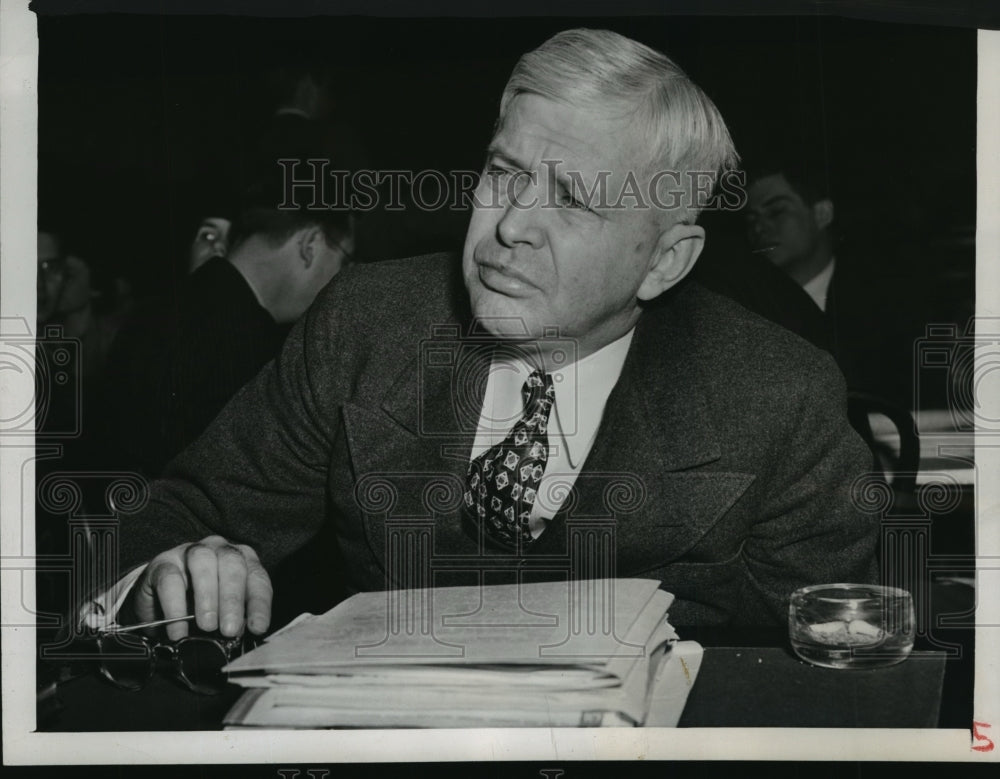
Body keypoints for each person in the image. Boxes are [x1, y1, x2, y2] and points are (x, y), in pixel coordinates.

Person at [86, 29, 878, 640]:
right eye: (504, 175)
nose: (508, 228)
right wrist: (165, 574)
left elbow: (834, 660)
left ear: (665, 261)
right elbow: (165, 521)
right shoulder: (366, 325)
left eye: (572, 199)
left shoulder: (783, 399)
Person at [99, 194, 355, 478]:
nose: (341, 280)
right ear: (311, 244)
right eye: (344, 262)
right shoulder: (251, 349)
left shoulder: (161, 310)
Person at [743, 160, 921, 408]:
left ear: (822, 214)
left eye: (776, 212)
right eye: (751, 218)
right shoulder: (747, 308)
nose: (759, 227)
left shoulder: (887, 302)